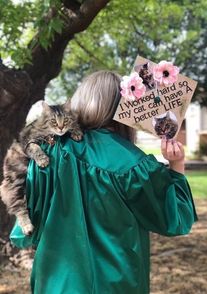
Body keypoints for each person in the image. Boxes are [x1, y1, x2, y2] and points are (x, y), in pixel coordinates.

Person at [10, 70, 197, 294]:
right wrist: (176, 165)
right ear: (124, 108)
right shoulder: (134, 164)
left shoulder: (47, 154)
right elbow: (175, 219)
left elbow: (24, 231)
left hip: (57, 284)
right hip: (116, 283)